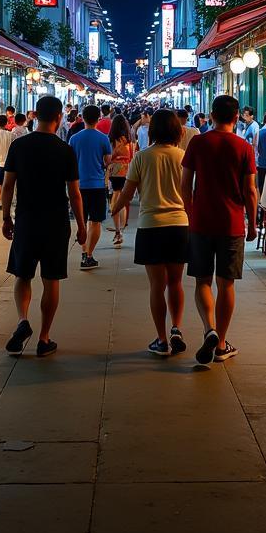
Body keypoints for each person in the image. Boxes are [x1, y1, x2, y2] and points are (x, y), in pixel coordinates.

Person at [1, 96, 86, 358]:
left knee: (22, 274)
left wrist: (6, 217)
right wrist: (82, 225)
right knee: (51, 279)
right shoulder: (65, 149)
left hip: (26, 218)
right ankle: (44, 337)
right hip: (56, 221)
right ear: (59, 117)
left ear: (35, 115)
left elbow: (7, 186)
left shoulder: (19, 145)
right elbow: (74, 193)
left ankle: (22, 320)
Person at [180, 94, 258, 366]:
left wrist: (191, 213)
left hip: (201, 223)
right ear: (236, 117)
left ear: (211, 115)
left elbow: (185, 184)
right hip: (232, 223)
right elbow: (250, 190)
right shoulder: (243, 147)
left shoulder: (198, 143)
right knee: (226, 284)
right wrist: (253, 222)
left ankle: (209, 329)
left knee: (202, 280)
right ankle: (222, 342)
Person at [113, 109, 189, 356]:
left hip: (151, 225)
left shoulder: (142, 157)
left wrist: (115, 208)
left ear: (152, 130)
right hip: (179, 224)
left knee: (157, 285)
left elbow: (127, 192)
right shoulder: (183, 157)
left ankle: (162, 339)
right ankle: (177, 327)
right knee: (176, 282)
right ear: (178, 131)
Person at [70, 104, 112, 268]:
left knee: (82, 221)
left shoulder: (74, 138)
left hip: (78, 185)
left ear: (83, 117)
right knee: (95, 221)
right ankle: (89, 254)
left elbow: (71, 161)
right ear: (98, 117)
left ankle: (83, 251)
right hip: (97, 185)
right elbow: (108, 161)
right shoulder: (103, 138)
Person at [107, 114, 133, 244]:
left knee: (116, 197)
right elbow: (132, 157)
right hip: (126, 170)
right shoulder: (129, 140)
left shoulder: (111, 140)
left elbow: (108, 158)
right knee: (121, 198)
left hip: (114, 171)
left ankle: (118, 231)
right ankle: (120, 230)